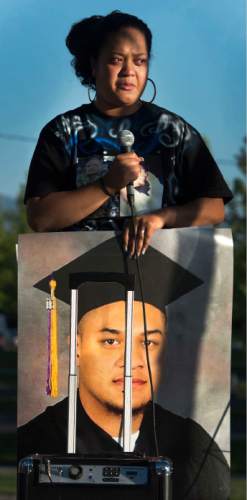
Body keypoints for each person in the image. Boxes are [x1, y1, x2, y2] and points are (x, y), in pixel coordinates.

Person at [18, 240, 230, 499]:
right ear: (76, 346)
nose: (132, 360)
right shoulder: (37, 441)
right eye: (111, 341)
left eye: (149, 342)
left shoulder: (193, 444)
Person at [24, 11, 233, 256]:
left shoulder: (172, 130)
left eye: (139, 61)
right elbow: (40, 218)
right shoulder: (63, 132)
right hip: (79, 282)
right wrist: (107, 185)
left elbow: (214, 208)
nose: (128, 71)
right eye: (116, 60)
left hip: (161, 285)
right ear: (94, 64)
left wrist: (161, 217)